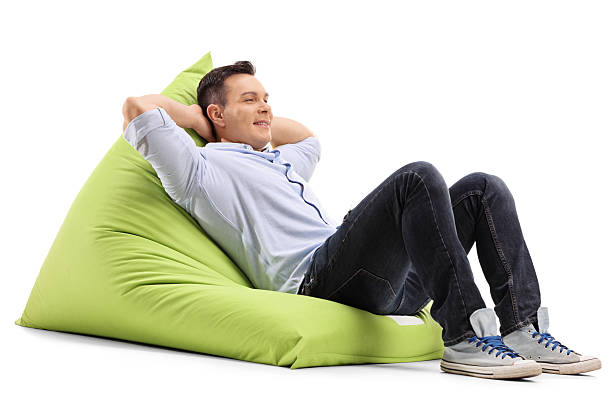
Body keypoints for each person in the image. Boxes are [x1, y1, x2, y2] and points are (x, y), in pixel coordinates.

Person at [121, 61, 601, 380]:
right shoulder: (202, 171)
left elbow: (307, 136)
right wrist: (196, 120)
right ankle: (464, 337)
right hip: (318, 279)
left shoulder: (280, 161)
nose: (265, 106)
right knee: (417, 177)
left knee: (482, 187)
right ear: (215, 114)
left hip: (379, 281)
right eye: (249, 99)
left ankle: (520, 327)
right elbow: (135, 109)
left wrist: (245, 118)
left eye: (267, 97)